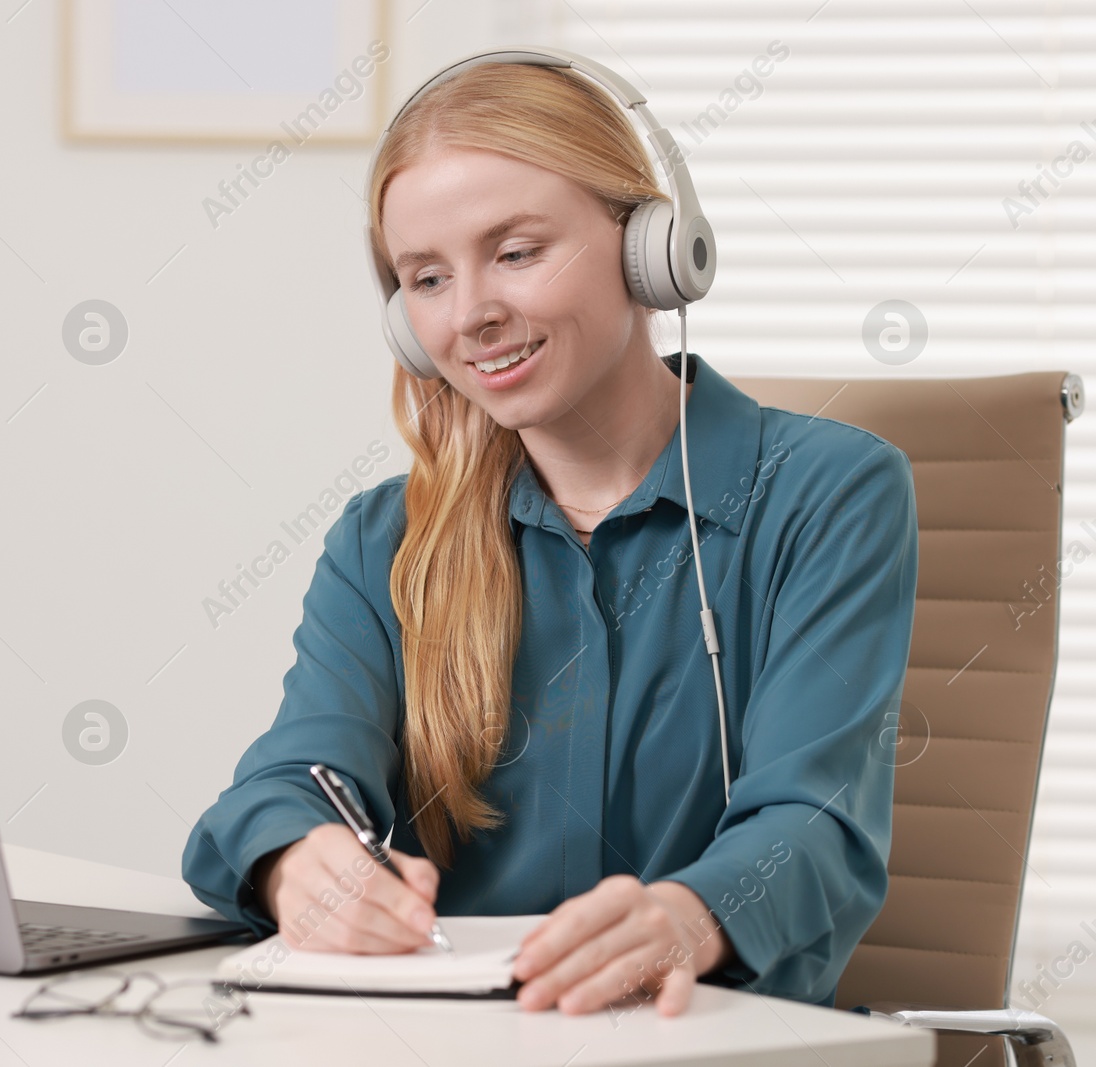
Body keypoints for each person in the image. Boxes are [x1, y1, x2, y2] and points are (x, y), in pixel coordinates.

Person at [181, 56, 918, 1018]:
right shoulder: (383, 542)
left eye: (518, 251)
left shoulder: (827, 494)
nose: (472, 312)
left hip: (703, 1038)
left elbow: (816, 824)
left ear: (650, 246)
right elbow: (289, 776)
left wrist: (689, 915)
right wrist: (293, 861)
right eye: (428, 278)